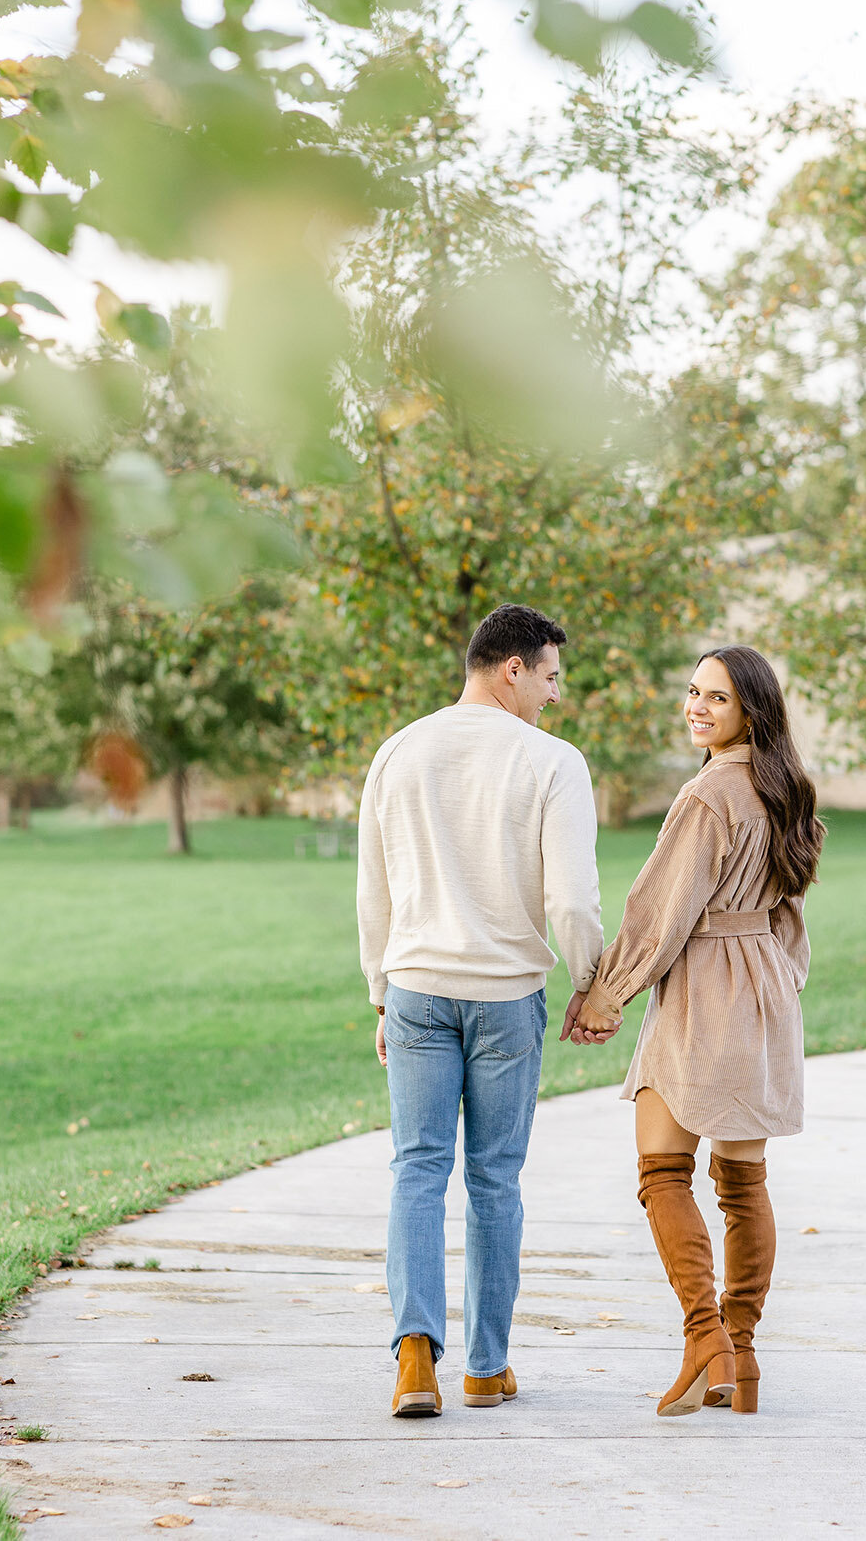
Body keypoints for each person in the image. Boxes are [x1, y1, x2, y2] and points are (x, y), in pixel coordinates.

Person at [357, 603, 615, 1419]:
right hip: (506, 999)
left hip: (416, 991)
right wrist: (591, 981)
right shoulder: (552, 762)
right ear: (513, 668)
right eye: (550, 676)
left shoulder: (398, 751)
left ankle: (412, 1361)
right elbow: (572, 899)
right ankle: (484, 1366)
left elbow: (375, 890)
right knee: (494, 1180)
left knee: (416, 1169)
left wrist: (379, 991)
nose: (554, 695)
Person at [571, 645, 824, 1417]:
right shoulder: (785, 791)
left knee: (662, 1173)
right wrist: (778, 983)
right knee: (743, 1186)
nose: (696, 707)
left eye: (715, 697)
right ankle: (739, 1356)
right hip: (764, 994)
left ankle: (704, 1336)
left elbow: (660, 911)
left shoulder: (710, 795)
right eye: (691, 692)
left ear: (751, 709)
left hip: (705, 991)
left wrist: (605, 992)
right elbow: (788, 917)